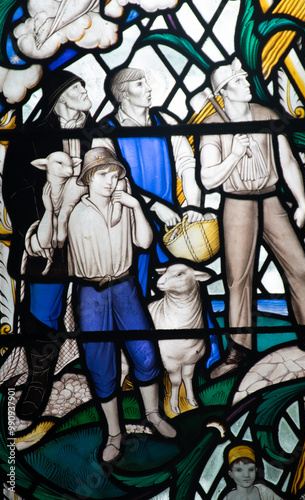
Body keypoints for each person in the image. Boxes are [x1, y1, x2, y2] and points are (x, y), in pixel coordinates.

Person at [200, 58, 305, 379]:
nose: (246, 82)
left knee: (299, 266)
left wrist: (301, 201)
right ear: (223, 91)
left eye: (244, 77)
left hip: (271, 199)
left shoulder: (267, 115)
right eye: (238, 80)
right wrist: (233, 155)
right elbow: (208, 178)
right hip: (237, 203)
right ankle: (239, 349)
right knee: (238, 278)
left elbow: (286, 159)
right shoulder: (214, 125)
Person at [67, 147, 177, 462]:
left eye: (115, 175)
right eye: (103, 175)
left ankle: (153, 415)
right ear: (87, 178)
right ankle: (114, 432)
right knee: (101, 364)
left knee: (144, 351)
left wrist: (135, 205)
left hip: (126, 287)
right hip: (93, 293)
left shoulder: (126, 206)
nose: (110, 181)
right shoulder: (79, 213)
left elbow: (144, 242)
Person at [3, 69, 95, 419]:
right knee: (44, 310)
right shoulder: (32, 138)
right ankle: (39, 381)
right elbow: (14, 188)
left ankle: (100, 377)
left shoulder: (96, 134)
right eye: (78, 87)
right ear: (59, 98)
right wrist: (33, 229)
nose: (85, 92)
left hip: (93, 236)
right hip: (47, 240)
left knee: (98, 305)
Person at [95, 67, 204, 296]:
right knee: (136, 290)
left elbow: (187, 167)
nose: (149, 89)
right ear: (123, 94)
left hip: (171, 225)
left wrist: (193, 207)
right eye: (140, 85)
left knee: (183, 288)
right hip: (128, 223)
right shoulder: (105, 132)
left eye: (146, 83)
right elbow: (112, 183)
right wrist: (153, 206)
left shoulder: (165, 122)